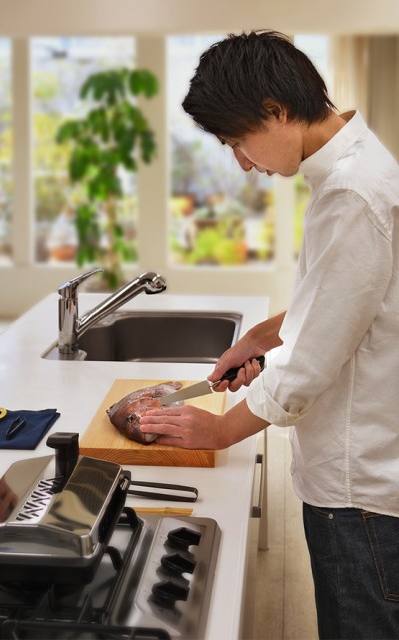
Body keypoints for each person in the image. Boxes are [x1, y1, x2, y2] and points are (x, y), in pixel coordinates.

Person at [140, 31, 399, 639]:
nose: (243, 162)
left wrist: (223, 428)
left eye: (237, 142)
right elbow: (351, 297)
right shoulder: (358, 166)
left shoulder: (350, 193)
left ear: (275, 111)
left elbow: (311, 362)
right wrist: (262, 334)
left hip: (358, 486)